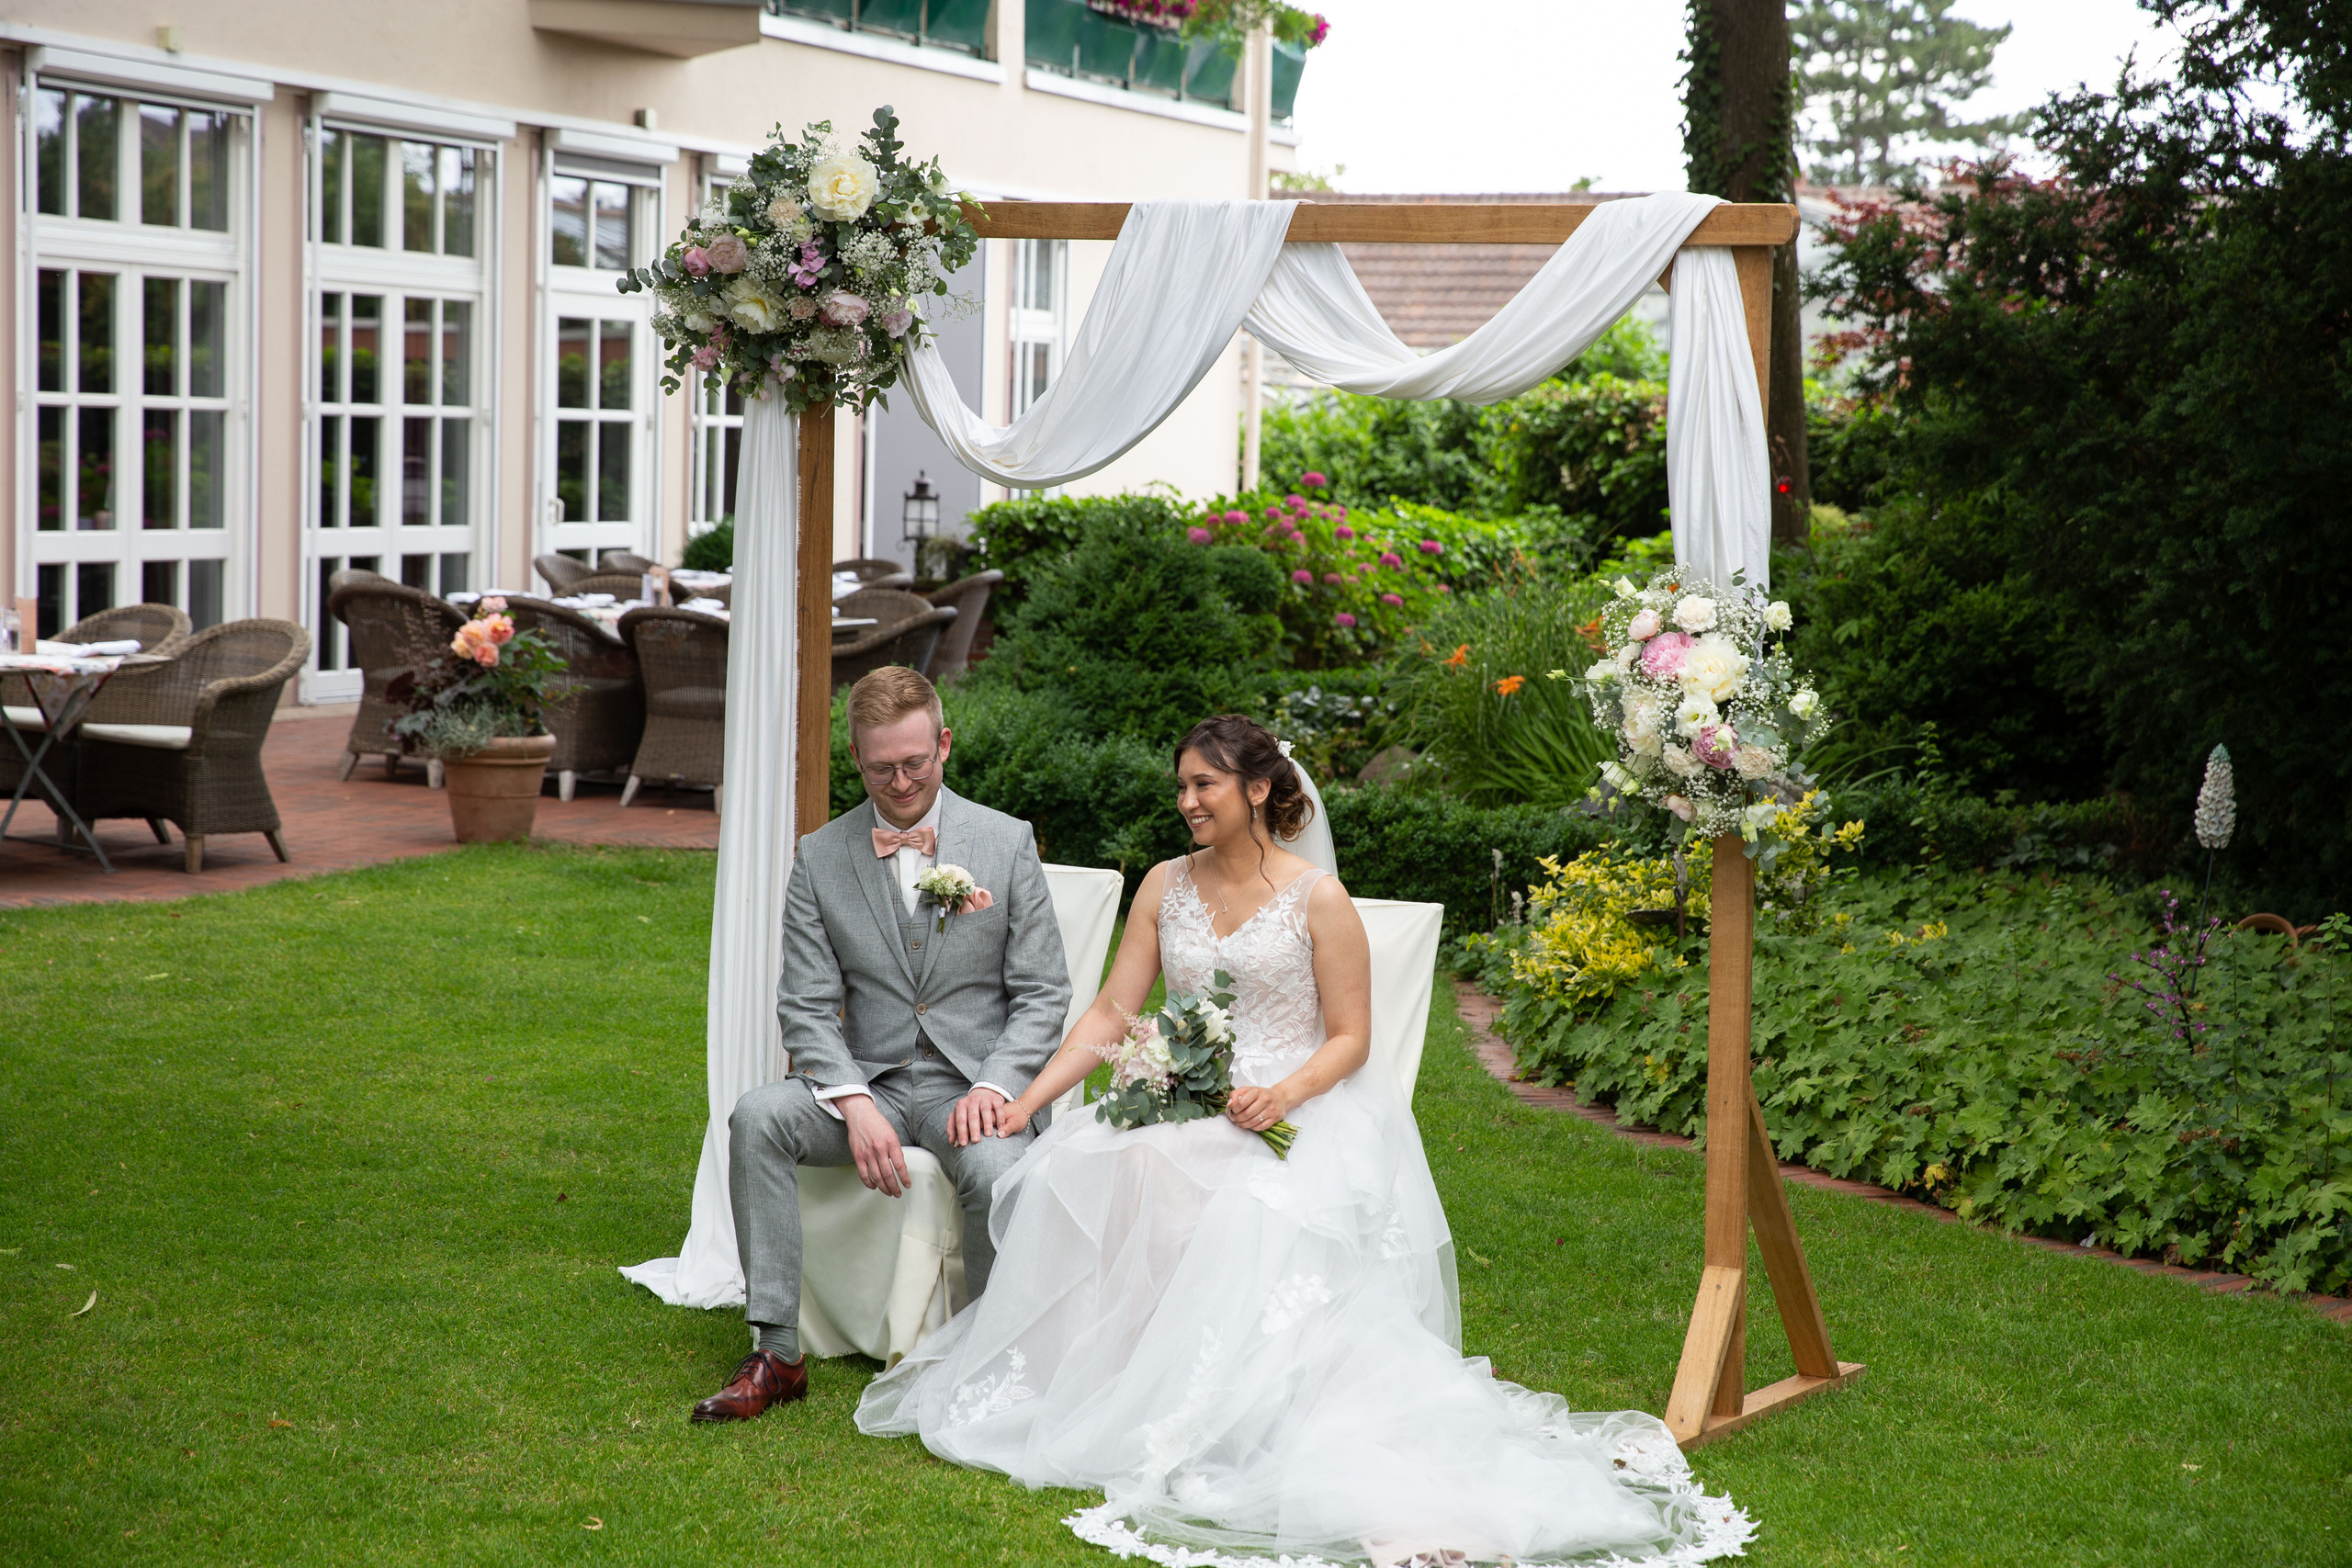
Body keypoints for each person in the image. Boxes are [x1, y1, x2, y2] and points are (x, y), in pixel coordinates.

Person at [856, 714, 1754, 1566]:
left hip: (1290, 1107)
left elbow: (1351, 1038)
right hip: (1179, 1098)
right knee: (1097, 1166)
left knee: (1227, 1200)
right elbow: (1112, 1012)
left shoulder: (1317, 899)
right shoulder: (1164, 886)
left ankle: (1231, 1417)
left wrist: (1277, 1093)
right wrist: (1025, 1100)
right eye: (1180, 786)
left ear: (1255, 789)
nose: (1187, 802)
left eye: (1203, 784)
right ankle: (1122, 1398)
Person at [689, 666, 1071, 1424]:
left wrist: (997, 1087)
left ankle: (993, 1359)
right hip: (872, 1083)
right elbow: (803, 1004)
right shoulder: (821, 855)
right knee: (757, 1117)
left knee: (997, 1165)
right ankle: (777, 1351)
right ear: (856, 760)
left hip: (973, 1084)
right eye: (879, 767)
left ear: (945, 744)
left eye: (914, 763)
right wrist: (853, 1100)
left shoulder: (1006, 840)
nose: (898, 782)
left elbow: (1044, 993)